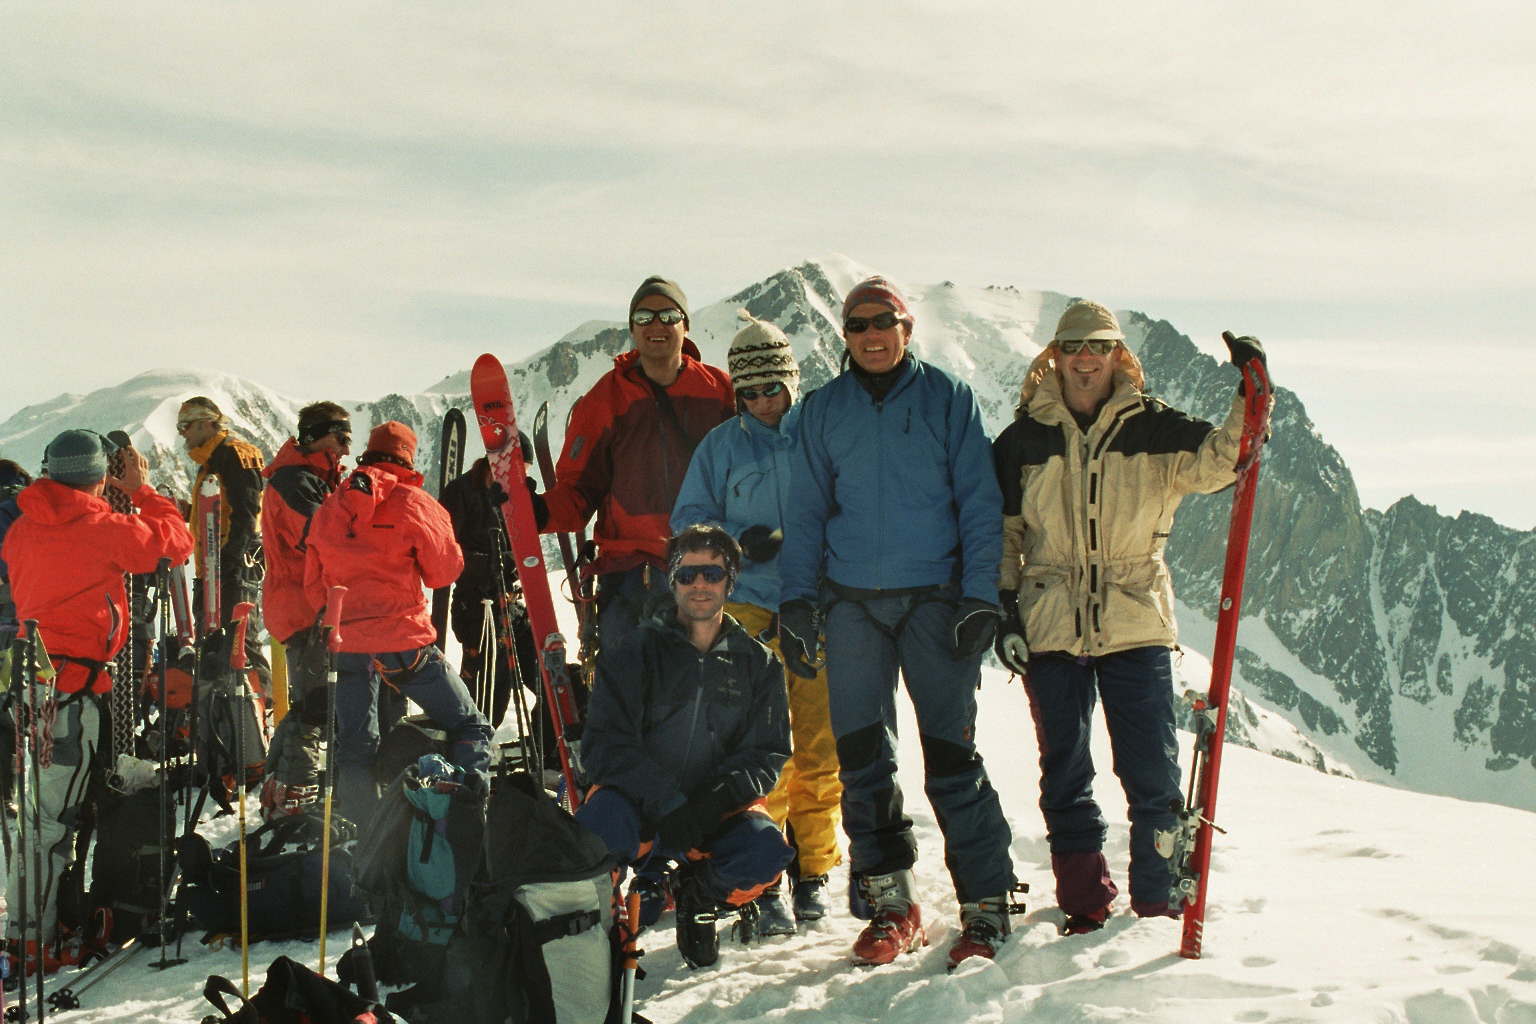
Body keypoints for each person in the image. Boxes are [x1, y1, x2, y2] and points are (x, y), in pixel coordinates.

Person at [991, 300, 1268, 934]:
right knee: (1065, 772)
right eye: (1073, 346)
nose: (1085, 358)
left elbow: (1223, 460)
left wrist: (1251, 396)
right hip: (1050, 621)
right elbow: (1005, 536)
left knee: (1151, 772)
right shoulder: (1021, 441)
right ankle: (1084, 901)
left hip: (1135, 619)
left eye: (1099, 345)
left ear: (1118, 355)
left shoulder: (1154, 428)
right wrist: (1006, 610)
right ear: (1055, 357)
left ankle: (1156, 901)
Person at [777, 276, 1018, 970]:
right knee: (862, 760)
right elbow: (806, 514)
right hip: (850, 605)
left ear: (907, 329)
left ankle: (986, 904)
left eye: (884, 322)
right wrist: (797, 601)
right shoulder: (824, 410)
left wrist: (981, 596)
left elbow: (979, 500)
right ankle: (892, 903)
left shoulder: (947, 398)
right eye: (857, 325)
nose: (871, 335)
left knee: (952, 759)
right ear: (845, 336)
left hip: (935, 601)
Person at [671, 312, 841, 933]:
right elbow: (688, 520)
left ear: (791, 381)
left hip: (816, 606)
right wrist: (735, 543)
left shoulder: (820, 434)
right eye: (750, 392)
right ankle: (763, 873)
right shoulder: (721, 447)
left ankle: (814, 869)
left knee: (819, 744)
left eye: (773, 388)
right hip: (746, 611)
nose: (764, 402)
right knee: (756, 750)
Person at [1, 430, 192, 972]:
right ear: (101, 476)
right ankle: (31, 939)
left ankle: (41, 925)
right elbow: (176, 543)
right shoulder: (104, 528)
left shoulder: (21, 527)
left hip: (32, 683)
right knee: (50, 821)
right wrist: (144, 491)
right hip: (71, 690)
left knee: (41, 811)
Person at [576, 524, 793, 969]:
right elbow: (604, 745)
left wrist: (711, 802)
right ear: (671, 580)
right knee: (593, 831)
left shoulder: (760, 664)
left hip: (710, 813)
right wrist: (667, 802)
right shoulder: (632, 653)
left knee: (766, 851)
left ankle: (698, 892)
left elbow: (766, 753)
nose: (699, 585)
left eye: (712, 575)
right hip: (640, 805)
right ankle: (597, 921)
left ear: (730, 582)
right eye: (687, 574)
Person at [303, 421, 493, 826]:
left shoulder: (331, 506)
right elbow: (444, 573)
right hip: (404, 642)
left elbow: (313, 584)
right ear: (407, 457)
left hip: (346, 642)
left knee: (355, 746)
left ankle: (364, 836)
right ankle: (464, 820)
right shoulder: (414, 502)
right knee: (469, 725)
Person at [538, 276, 735, 653]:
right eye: (644, 316)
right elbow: (578, 493)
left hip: (704, 572)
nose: (656, 325)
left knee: (699, 688)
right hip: (630, 577)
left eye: (668, 315)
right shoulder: (605, 399)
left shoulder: (720, 392)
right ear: (631, 328)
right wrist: (539, 512)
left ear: (685, 325)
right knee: (626, 686)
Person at [257, 401, 352, 819]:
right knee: (315, 708)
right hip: (303, 607)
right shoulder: (294, 481)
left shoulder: (310, 478)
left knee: (307, 707)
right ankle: (294, 799)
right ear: (315, 437)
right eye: (341, 437)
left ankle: (280, 792)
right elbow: (320, 541)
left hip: (303, 606)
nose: (346, 447)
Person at [439, 451, 543, 745]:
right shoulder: (461, 492)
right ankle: (470, 753)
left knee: (544, 675)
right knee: (490, 690)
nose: (520, 476)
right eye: (518, 468)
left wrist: (532, 504)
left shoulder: (513, 496)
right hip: (476, 605)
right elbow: (446, 550)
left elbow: (532, 536)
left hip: (510, 603)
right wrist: (495, 562)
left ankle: (547, 746)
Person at [176, 396, 265, 631]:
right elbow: (224, 510)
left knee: (238, 641)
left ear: (204, 423)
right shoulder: (211, 459)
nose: (182, 432)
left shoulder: (233, 455)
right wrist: (191, 513)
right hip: (212, 570)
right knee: (211, 642)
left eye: (185, 425)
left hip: (231, 571)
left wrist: (225, 567)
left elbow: (246, 515)